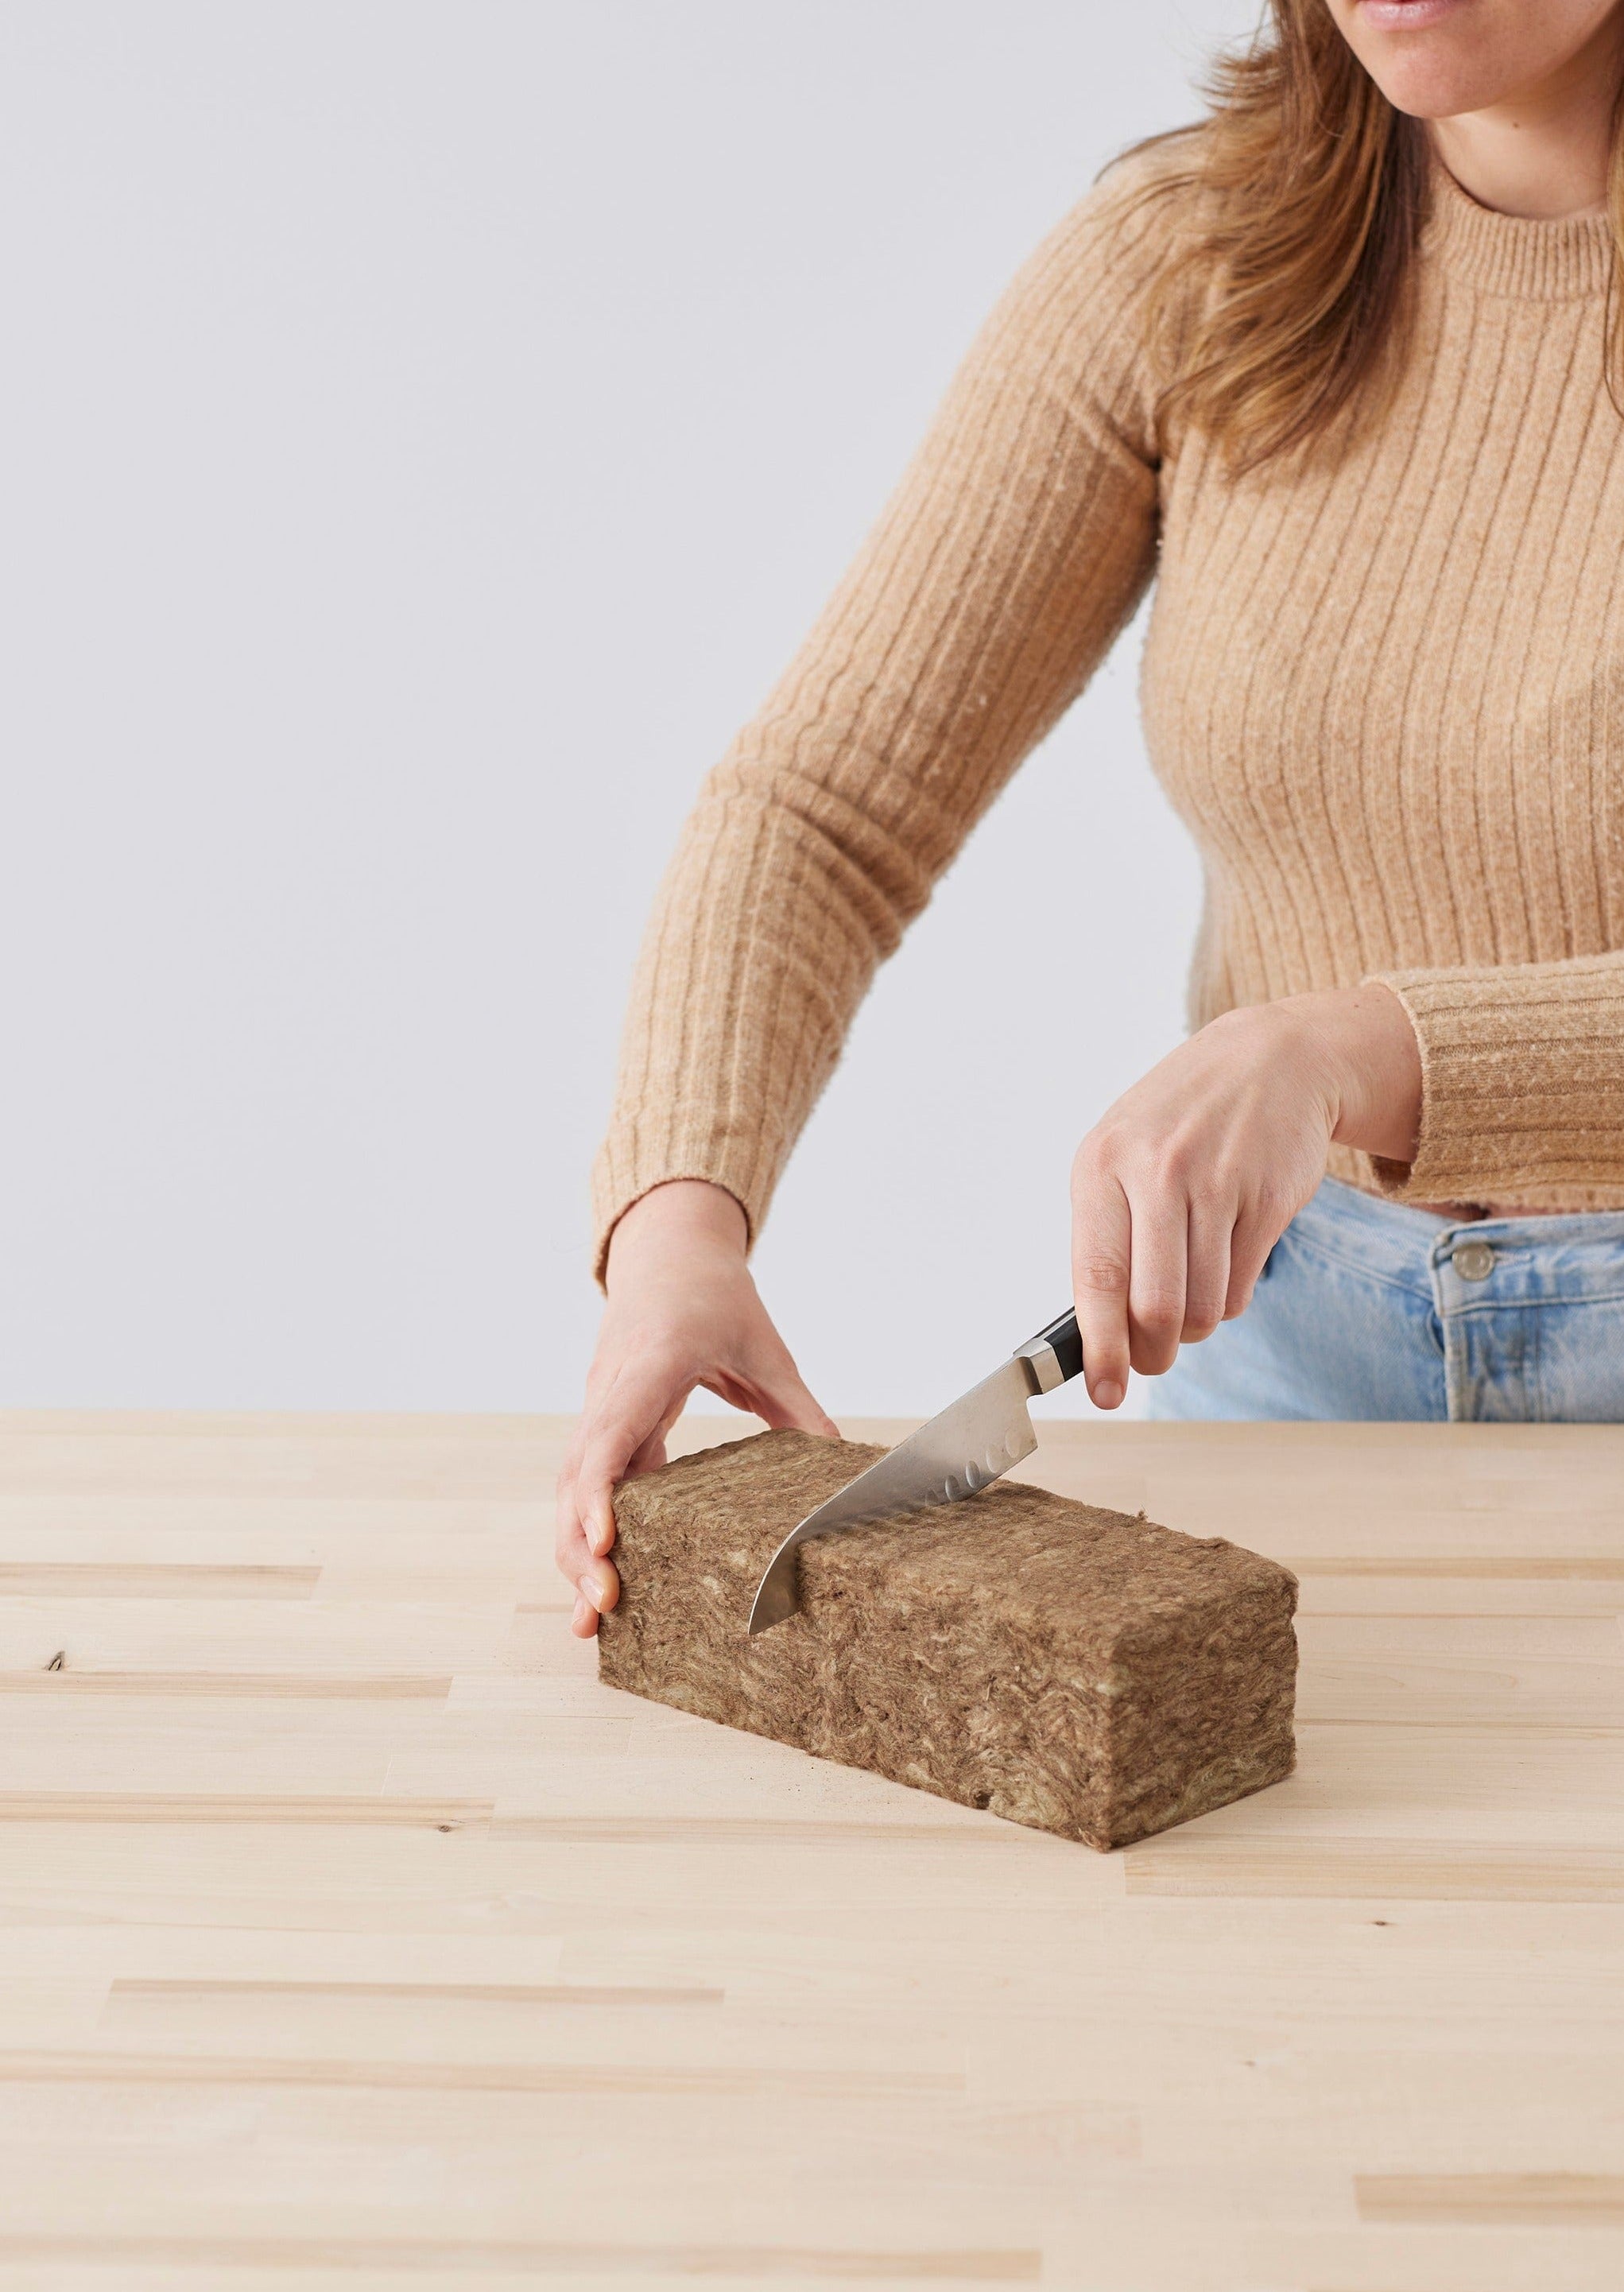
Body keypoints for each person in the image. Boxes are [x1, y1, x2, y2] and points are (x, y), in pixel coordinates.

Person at [559, 0, 1624, 1637]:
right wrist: (675, 1227)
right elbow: (825, 803)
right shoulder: (1195, 252)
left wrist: (1346, 1048)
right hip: (1286, 1356)